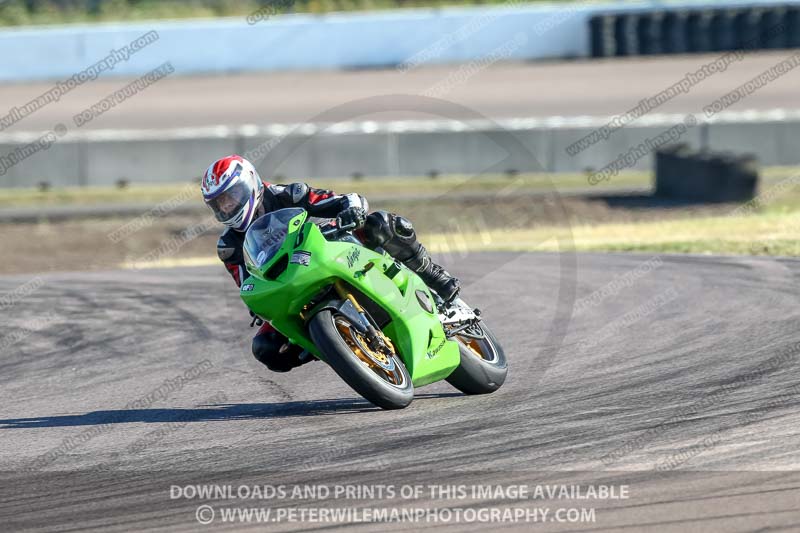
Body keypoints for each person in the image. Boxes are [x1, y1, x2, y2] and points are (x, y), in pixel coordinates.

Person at [202, 154, 460, 372]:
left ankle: (431, 273)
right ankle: (333, 345)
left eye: (231, 196)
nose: (227, 207)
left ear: (250, 183)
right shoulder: (229, 247)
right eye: (219, 204)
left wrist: (350, 209)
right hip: (290, 283)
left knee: (381, 223)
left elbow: (338, 200)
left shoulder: (288, 195)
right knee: (266, 348)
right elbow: (248, 284)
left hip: (333, 250)